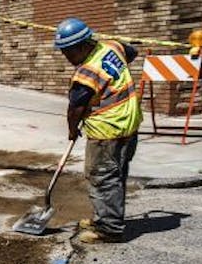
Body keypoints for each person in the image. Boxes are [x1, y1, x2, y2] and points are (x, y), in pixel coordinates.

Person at [54, 18, 142, 244]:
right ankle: (106, 218)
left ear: (82, 46)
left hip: (107, 130)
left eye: (67, 52)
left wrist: (72, 131)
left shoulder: (86, 74)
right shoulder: (112, 47)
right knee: (116, 175)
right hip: (129, 124)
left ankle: (110, 229)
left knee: (101, 177)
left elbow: (75, 109)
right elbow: (131, 52)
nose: (65, 57)